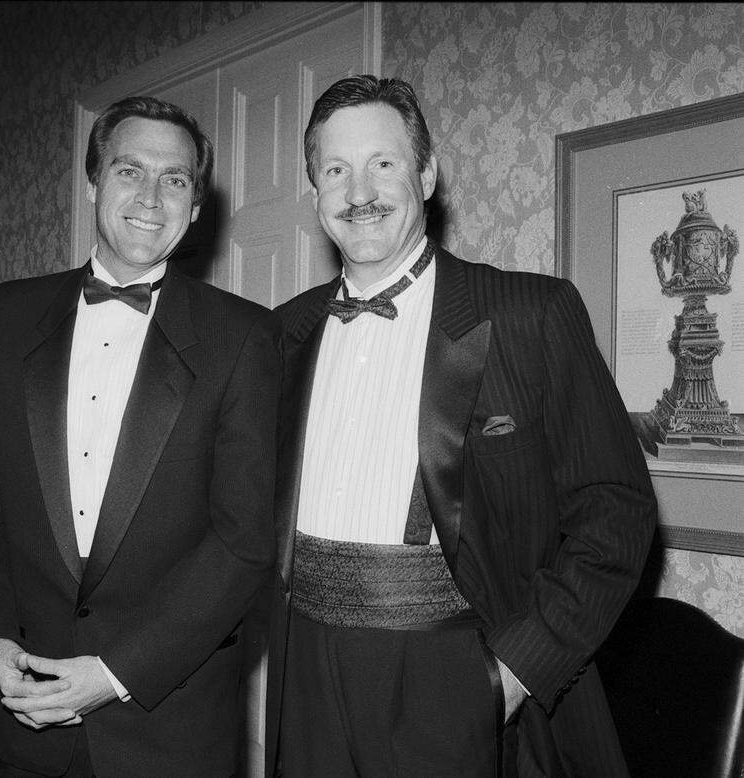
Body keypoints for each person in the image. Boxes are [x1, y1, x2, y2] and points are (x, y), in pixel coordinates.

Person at [265, 76, 657, 777]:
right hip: (304, 676)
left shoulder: (529, 314)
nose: (359, 192)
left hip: (453, 671)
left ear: (426, 175)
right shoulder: (280, 334)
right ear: (315, 192)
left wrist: (514, 673)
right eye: (336, 170)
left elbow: (616, 510)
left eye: (383, 163)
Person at [0, 95, 279, 777]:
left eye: (175, 179)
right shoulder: (9, 313)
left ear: (196, 206)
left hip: (170, 730)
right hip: (27, 712)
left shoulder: (245, 336)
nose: (151, 198)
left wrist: (114, 673)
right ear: (94, 181)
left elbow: (242, 545)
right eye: (130, 170)